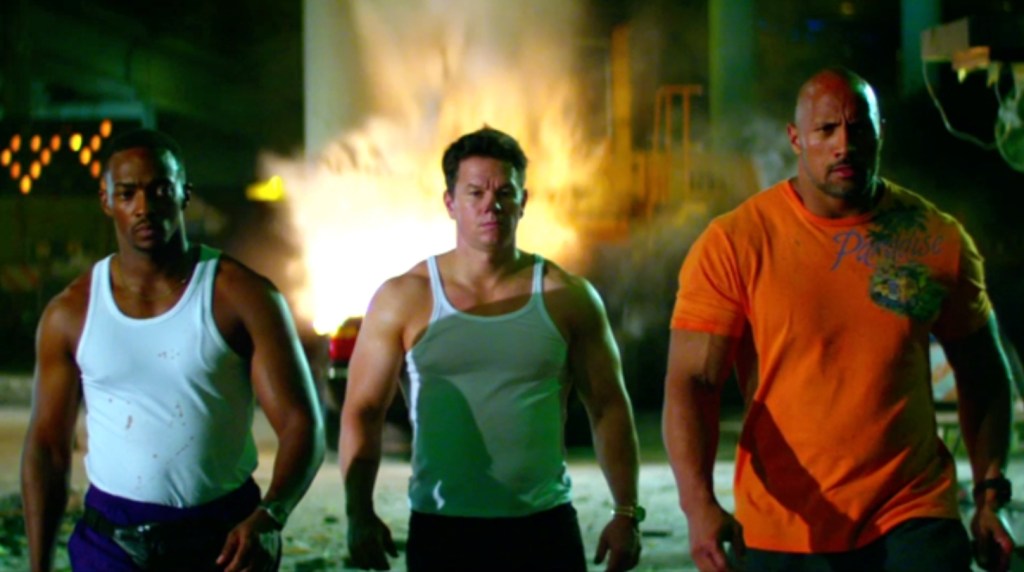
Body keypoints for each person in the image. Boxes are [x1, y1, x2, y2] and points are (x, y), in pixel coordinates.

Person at [663, 67, 1017, 572]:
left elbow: (984, 375)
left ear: (880, 133)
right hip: (786, 523)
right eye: (826, 129)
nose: (844, 145)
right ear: (796, 138)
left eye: (858, 128)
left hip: (912, 512)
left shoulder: (936, 238)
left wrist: (990, 495)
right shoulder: (736, 243)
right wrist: (698, 506)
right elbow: (692, 382)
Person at [20, 129, 326, 571]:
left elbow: (302, 423)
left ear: (185, 194)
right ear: (106, 200)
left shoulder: (241, 296)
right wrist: (38, 566)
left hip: (223, 540)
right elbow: (47, 448)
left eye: (160, 190)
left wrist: (271, 515)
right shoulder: (71, 313)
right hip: (112, 542)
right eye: (127, 193)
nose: (144, 207)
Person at [340, 126, 643, 571]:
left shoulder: (567, 296)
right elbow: (364, 410)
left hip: (543, 527)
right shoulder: (404, 298)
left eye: (504, 192)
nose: (491, 205)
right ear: (450, 202)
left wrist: (626, 512)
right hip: (443, 529)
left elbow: (608, 407)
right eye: (475, 192)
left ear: (523, 201)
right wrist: (358, 512)